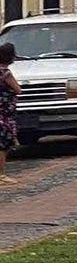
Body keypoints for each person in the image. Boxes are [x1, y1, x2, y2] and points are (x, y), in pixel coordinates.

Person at [0, 42, 17, 182]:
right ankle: (1, 174)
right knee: (3, 143)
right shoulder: (5, 72)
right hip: (4, 112)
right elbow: (18, 89)